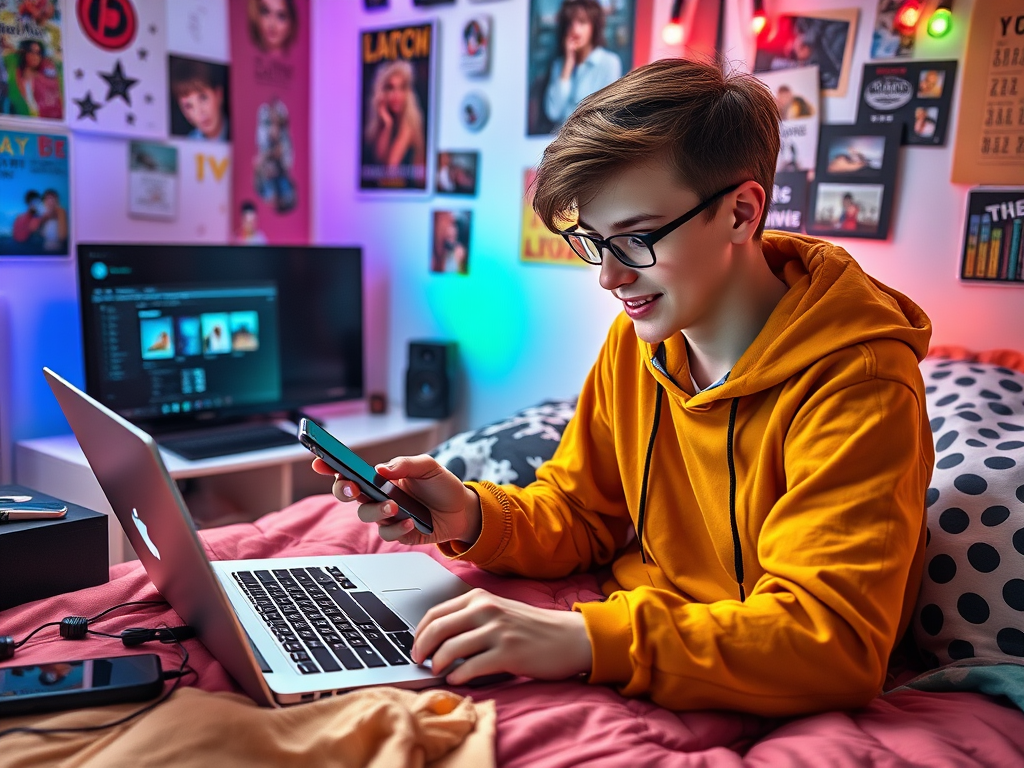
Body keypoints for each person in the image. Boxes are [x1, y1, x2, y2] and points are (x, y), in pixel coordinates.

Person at [314, 58, 933, 717]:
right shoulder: (640, 342)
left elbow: (831, 641)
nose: (609, 278)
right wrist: (468, 513)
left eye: (635, 239)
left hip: (713, 672)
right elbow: (583, 513)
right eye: (593, 241)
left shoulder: (860, 385)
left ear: (741, 213)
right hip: (618, 632)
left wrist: (585, 638)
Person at [543, 0, 622, 128]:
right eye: (570, 23)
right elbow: (553, 112)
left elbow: (608, 115)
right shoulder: (559, 64)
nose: (575, 29)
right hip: (560, 141)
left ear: (594, 26)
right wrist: (568, 64)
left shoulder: (609, 63)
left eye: (582, 22)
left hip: (590, 143)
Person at [364, 60, 426, 170]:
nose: (396, 95)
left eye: (402, 88)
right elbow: (379, 160)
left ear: (408, 93)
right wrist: (387, 125)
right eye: (390, 88)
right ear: (382, 92)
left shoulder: (409, 125)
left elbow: (390, 168)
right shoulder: (380, 124)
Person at [170, 57, 229, 141]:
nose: (200, 112)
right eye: (188, 106)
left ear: (218, 95)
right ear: (185, 114)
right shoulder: (188, 143)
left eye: (203, 98)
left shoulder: (242, 130)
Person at [7, 38, 62, 119]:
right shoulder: (15, 76)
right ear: (24, 53)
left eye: (38, 53)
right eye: (31, 52)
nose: (35, 56)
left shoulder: (45, 75)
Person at [38, 188, 67, 253]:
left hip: (59, 249)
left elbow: (62, 236)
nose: (50, 201)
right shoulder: (43, 214)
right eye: (47, 199)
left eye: (52, 199)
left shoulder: (61, 212)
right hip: (45, 247)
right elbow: (40, 233)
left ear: (57, 200)